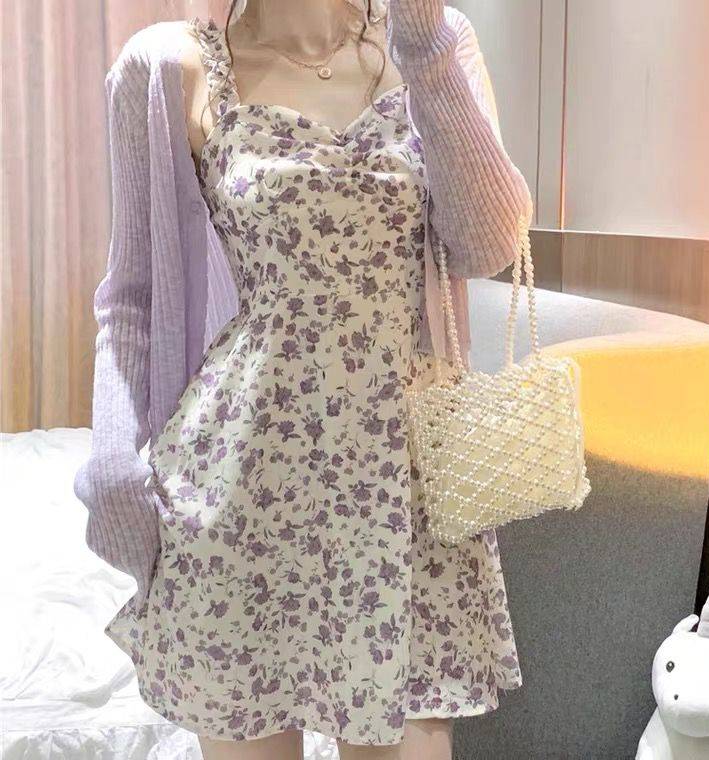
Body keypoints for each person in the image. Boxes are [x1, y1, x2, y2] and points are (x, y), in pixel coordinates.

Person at [75, 1, 533, 757]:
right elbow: (132, 296)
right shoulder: (170, 66)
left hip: (405, 493)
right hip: (243, 486)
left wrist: (423, 45)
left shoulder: (437, 39)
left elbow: (488, 243)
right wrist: (114, 463)